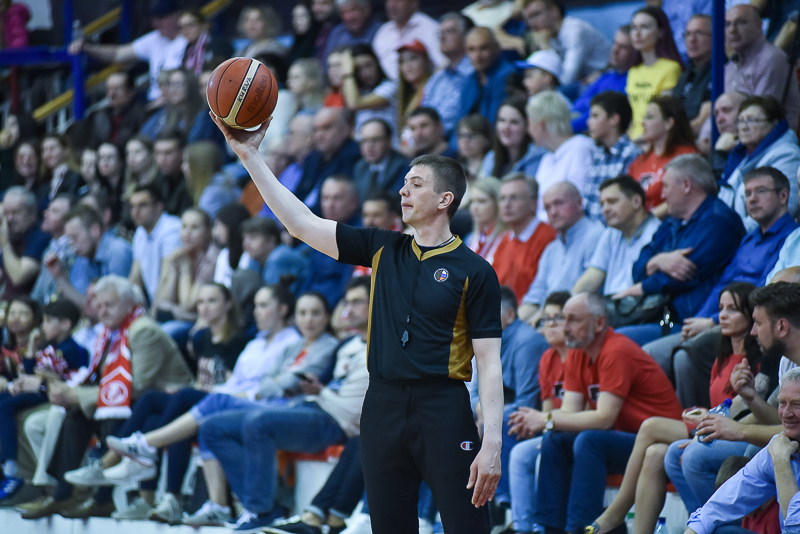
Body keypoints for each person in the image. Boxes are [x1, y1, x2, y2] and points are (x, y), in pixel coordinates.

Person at [210, 109, 504, 533]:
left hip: (442, 407)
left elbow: (489, 364)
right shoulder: (382, 247)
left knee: (468, 526)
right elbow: (301, 224)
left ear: (445, 200)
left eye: (416, 184)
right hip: (381, 404)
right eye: (404, 182)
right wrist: (249, 156)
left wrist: (491, 441)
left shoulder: (475, 271)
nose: (403, 191)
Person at [191, 278, 371, 532]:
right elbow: (312, 385)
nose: (348, 310)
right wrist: (318, 391)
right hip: (307, 408)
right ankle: (260, 505)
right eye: (347, 302)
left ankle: (260, 511)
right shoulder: (345, 345)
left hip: (332, 422)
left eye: (357, 302)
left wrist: (320, 393)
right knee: (211, 427)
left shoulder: (382, 347)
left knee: (257, 422)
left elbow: (347, 408)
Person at [587, 282, 762, 534]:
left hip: (734, 433)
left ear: (751, 315)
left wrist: (709, 417)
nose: (723, 315)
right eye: (721, 308)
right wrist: (703, 412)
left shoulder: (757, 361)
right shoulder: (720, 358)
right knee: (654, 454)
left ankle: (616, 513)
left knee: (650, 426)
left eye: (732, 309)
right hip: (712, 427)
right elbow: (722, 405)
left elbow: (746, 410)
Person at [20, 275, 193, 519]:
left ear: (129, 304)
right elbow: (106, 383)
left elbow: (136, 386)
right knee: (77, 414)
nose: (102, 311)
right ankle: (63, 494)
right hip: (139, 402)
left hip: (165, 404)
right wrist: (71, 394)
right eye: (99, 305)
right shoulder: (111, 333)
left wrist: (79, 395)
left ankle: (102, 495)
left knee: (111, 413)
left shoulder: (143, 330)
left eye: (109, 305)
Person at [508, 292, 682, 534]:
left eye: (573, 320)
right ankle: (551, 528)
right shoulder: (578, 351)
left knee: (590, 441)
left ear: (599, 323)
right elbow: (569, 411)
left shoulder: (616, 350)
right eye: (563, 319)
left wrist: (545, 419)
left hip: (654, 439)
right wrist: (548, 422)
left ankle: (582, 528)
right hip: (621, 437)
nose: (565, 327)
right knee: (557, 438)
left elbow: (604, 419)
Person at [644, 166, 797, 409]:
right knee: (655, 351)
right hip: (724, 314)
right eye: (747, 193)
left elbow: (764, 291)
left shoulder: (789, 236)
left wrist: (712, 321)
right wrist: (700, 317)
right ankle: (693, 418)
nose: (752, 199)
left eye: (760, 191)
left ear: (783, 196)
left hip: (751, 318)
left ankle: (701, 419)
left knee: (685, 354)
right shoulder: (749, 238)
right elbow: (723, 284)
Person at [613, 155, 746, 347]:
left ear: (686, 185)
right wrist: (658, 260)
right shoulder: (672, 221)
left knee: (617, 341)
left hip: (690, 322)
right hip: (660, 316)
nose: (662, 195)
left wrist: (642, 288)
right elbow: (638, 268)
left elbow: (682, 275)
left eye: (666, 186)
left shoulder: (719, 222)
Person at [681, 366, 800, 534]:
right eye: (782, 403)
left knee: (695, 457)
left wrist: (781, 463)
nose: (786, 413)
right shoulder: (780, 445)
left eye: (797, 404)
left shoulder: (780, 452)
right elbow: (718, 507)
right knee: (716, 530)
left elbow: (796, 528)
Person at [0, 299, 88, 501]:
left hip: (53, 396)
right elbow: (31, 372)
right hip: (40, 390)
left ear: (65, 324)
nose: (43, 326)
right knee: (4, 402)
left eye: (48, 321)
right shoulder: (49, 345)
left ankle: (12, 466)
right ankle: (38, 476)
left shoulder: (73, 349)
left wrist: (41, 382)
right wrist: (32, 347)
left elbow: (74, 381)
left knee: (5, 407)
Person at [477, 285, 550, 509]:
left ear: (510, 315)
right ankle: (433, 513)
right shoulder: (485, 339)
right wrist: (481, 409)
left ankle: (502, 501)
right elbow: (472, 394)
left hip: (535, 418)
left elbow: (527, 402)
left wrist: (488, 414)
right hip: (495, 411)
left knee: (497, 423)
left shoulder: (526, 341)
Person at [507, 290, 570, 534]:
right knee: (519, 450)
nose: (550, 325)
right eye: (546, 319)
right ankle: (521, 527)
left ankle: (541, 526)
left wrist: (542, 422)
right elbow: (546, 411)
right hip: (554, 430)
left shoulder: (579, 354)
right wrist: (533, 424)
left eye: (558, 318)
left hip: (573, 431)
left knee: (538, 453)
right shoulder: (547, 359)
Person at [68, 0, 188, 101]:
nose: (156, 23)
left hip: (178, 101)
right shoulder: (154, 38)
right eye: (154, 19)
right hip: (154, 102)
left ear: (176, 16)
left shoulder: (188, 40)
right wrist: (86, 47)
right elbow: (117, 54)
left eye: (161, 18)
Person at [518, 182, 603, 323]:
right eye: (547, 207)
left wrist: (542, 315)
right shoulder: (551, 249)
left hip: (575, 320)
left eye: (558, 203)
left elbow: (584, 294)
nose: (553, 212)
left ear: (579, 203)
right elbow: (535, 295)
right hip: (547, 319)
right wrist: (511, 324)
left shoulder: (597, 238)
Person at [720, 96, 800, 227]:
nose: (744, 127)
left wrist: (731, 233)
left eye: (751, 120)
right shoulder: (740, 158)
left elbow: (783, 209)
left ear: (774, 123)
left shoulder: (788, 155)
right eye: (740, 121)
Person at [574, 175, 660, 296]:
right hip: (613, 303)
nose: (605, 210)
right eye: (602, 204)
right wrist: (570, 301)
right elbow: (592, 277)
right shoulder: (610, 233)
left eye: (612, 201)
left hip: (641, 303)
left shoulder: (657, 232)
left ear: (636, 201)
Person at [724, 4, 800, 131]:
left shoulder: (771, 58)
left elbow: (759, 117)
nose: (732, 30)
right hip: (741, 137)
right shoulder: (730, 67)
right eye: (727, 24)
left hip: (771, 140)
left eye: (740, 22)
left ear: (758, 26)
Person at [150, 208, 220, 342]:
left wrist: (184, 269)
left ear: (207, 232)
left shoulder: (211, 259)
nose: (187, 233)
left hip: (199, 323)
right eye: (184, 227)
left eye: (194, 228)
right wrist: (172, 269)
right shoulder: (179, 254)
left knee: (164, 333)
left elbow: (188, 304)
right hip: (177, 318)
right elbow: (160, 300)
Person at [527, 91, 596, 222]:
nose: (528, 130)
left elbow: (578, 200)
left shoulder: (581, 147)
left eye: (529, 123)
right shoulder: (547, 158)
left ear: (541, 124)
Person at [627, 96, 699, 219]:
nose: (643, 122)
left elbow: (686, 196)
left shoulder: (687, 156)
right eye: (644, 117)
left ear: (668, 123)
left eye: (650, 117)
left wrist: (648, 221)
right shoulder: (638, 162)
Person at [49, 204, 133, 308]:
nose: (71, 244)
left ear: (95, 230)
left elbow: (119, 305)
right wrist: (59, 276)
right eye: (69, 239)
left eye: (74, 237)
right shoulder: (84, 257)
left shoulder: (118, 252)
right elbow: (86, 305)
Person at [492, 175, 557, 302]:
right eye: (502, 198)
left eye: (514, 197)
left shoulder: (548, 237)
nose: (506, 204)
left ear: (534, 204)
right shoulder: (505, 239)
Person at [519, 0, 611, 87]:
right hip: (584, 81)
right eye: (528, 19)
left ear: (554, 11)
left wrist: (546, 47)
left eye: (536, 14)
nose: (531, 23)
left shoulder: (575, 31)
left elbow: (566, 80)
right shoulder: (546, 34)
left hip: (606, 76)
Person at [298, 176, 359, 307]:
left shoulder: (359, 235)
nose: (330, 205)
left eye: (337, 198)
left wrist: (325, 310)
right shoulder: (321, 230)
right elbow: (310, 277)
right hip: (313, 306)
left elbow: (346, 285)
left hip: (336, 307)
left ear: (353, 202)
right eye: (325, 198)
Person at [625, 7, 684, 140]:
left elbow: (664, 115)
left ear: (661, 32)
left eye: (645, 27)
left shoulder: (671, 68)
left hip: (654, 139)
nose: (637, 33)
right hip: (633, 140)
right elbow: (632, 117)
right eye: (633, 27)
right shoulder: (633, 70)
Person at [583, 91, 641, 223]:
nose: (588, 122)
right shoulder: (598, 155)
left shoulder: (631, 154)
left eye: (595, 116)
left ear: (614, 119)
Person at [571, 25, 638, 134]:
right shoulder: (607, 76)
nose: (615, 50)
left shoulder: (632, 82)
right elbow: (578, 104)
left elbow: (598, 116)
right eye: (614, 43)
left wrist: (565, 128)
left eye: (623, 47)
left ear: (635, 53)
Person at [293, 107, 360, 210]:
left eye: (326, 128)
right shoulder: (311, 159)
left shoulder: (354, 156)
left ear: (345, 130)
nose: (319, 135)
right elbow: (297, 196)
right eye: (316, 130)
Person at [422, 13, 475, 137]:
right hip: (432, 140)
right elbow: (424, 113)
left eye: (449, 32)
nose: (442, 38)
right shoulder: (437, 78)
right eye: (439, 34)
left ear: (466, 36)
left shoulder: (475, 72)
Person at [128, 185, 183, 304]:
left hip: (175, 304)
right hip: (156, 302)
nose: (135, 212)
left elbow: (166, 278)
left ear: (158, 207)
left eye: (142, 205)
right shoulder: (140, 232)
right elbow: (135, 277)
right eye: (132, 206)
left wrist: (154, 312)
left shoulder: (172, 230)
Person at [372, 0, 446, 82]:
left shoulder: (430, 28)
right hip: (396, 87)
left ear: (413, 3)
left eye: (398, 1)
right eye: (389, 1)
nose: (392, 5)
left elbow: (442, 65)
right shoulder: (382, 33)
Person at [458, 27, 515, 128]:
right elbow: (461, 121)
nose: (477, 56)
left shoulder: (508, 76)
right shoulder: (468, 81)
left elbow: (495, 123)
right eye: (472, 50)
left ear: (497, 47)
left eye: (483, 48)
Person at [0, 187, 50, 300]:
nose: (9, 219)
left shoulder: (41, 236)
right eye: (6, 213)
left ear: (32, 212)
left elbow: (18, 277)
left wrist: (4, 241)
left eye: (15, 212)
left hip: (27, 305)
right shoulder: (13, 235)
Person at [340, 44, 397, 138]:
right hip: (364, 145)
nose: (365, 73)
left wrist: (348, 73)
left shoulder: (389, 86)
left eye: (368, 65)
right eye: (358, 69)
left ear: (377, 63)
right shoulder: (359, 91)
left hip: (387, 145)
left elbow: (354, 104)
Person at [482, 96, 547, 179]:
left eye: (514, 122)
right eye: (502, 120)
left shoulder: (537, 158)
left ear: (527, 126)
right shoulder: (491, 158)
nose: (506, 127)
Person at [240, 217, 308, 292]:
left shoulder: (279, 258)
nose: (246, 244)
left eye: (253, 238)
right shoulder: (255, 260)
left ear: (271, 240)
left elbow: (273, 294)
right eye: (244, 238)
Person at [31, 194, 76, 304]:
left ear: (69, 219)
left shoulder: (75, 250)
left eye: (54, 211)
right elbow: (38, 294)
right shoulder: (48, 249)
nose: (45, 214)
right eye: (48, 209)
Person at [671, 15, 712, 134]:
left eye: (699, 33)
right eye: (688, 34)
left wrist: (669, 134)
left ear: (716, 36)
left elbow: (700, 123)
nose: (692, 40)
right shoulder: (685, 74)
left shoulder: (723, 72)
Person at [86, 72, 147, 151]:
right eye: (109, 89)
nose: (111, 94)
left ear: (131, 92)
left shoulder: (140, 114)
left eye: (117, 89)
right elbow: (93, 146)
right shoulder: (100, 116)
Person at [352, 119, 410, 200]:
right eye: (365, 141)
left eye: (375, 140)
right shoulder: (359, 167)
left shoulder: (404, 167)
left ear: (389, 141)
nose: (369, 146)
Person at [396, 40, 434, 136]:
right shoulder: (404, 97)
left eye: (413, 59)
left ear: (426, 61)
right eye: (402, 61)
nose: (407, 66)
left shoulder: (432, 89)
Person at [178, 10, 232, 75]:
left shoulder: (218, 43)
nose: (186, 31)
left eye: (190, 25)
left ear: (203, 25)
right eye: (182, 27)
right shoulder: (189, 48)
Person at [153, 129, 193, 216]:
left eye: (168, 153)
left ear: (182, 153)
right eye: (158, 153)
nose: (161, 159)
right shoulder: (157, 179)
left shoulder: (191, 181)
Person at [466, 178, 505, 264]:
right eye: (472, 201)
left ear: (497, 203)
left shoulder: (508, 238)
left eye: (481, 201)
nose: (474, 207)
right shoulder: (472, 238)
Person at [212, 203, 252, 287]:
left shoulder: (249, 255)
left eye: (219, 225)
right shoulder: (224, 254)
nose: (216, 232)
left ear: (232, 225)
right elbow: (217, 287)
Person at [41, 135, 83, 203]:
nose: (47, 155)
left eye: (52, 149)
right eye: (44, 150)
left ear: (66, 150)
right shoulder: (44, 181)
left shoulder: (76, 177)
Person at [456, 114, 493, 183]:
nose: (465, 140)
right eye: (462, 135)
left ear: (486, 140)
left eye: (472, 135)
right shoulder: (457, 167)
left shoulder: (491, 160)